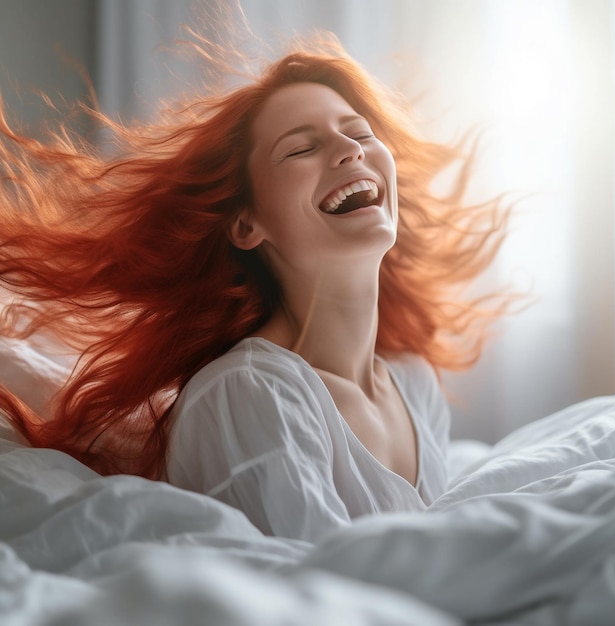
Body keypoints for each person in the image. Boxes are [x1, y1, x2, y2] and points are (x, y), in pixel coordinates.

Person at [0, 33, 511, 541]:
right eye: (302, 149)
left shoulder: (414, 382)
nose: (349, 151)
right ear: (246, 224)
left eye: (360, 132)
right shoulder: (248, 392)